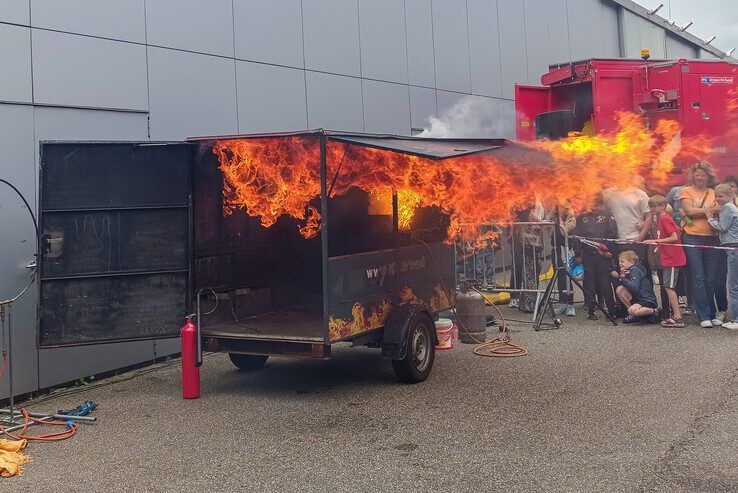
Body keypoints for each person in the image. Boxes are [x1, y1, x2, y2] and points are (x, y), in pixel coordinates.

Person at [679, 161, 722, 328]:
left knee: (710, 278)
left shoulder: (714, 191)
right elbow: (688, 211)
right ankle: (703, 314)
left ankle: (711, 312)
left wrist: (700, 211)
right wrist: (708, 210)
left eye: (703, 175)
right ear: (692, 176)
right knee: (698, 277)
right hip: (692, 237)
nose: (700, 177)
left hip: (712, 237)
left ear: (708, 176)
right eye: (697, 175)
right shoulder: (686, 191)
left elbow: (719, 208)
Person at [571, 194, 618, 320]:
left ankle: (611, 312)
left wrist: (607, 249)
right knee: (589, 283)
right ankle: (591, 311)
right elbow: (576, 236)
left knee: (605, 284)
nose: (593, 207)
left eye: (595, 204)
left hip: (603, 255)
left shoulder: (608, 216)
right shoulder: (581, 218)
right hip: (587, 256)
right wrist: (578, 253)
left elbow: (613, 234)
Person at [644, 195, 686, 327]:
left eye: (654, 206)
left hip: (672, 258)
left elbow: (674, 237)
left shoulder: (665, 219)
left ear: (663, 206)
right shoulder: (662, 219)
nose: (652, 209)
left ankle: (677, 316)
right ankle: (676, 314)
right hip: (667, 257)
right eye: (650, 207)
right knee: (668, 287)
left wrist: (655, 241)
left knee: (669, 287)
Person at [602, 177, 653, 276]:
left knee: (641, 274)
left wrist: (641, 237)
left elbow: (649, 216)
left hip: (635, 241)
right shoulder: (607, 194)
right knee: (621, 276)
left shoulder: (639, 193)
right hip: (617, 242)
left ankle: (645, 292)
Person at [707, 183, 738, 330]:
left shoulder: (728, 208)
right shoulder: (731, 207)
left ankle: (736, 320)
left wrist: (710, 218)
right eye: (716, 196)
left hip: (732, 248)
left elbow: (722, 227)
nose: (718, 199)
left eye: (721, 196)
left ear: (729, 195)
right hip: (732, 248)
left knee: (732, 286)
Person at [612, 250, 659, 324]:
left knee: (632, 310)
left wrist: (622, 278)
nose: (620, 264)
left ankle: (656, 311)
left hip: (646, 299)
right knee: (619, 289)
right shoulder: (627, 270)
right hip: (638, 298)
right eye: (619, 262)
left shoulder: (634, 270)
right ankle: (634, 315)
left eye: (622, 261)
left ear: (631, 262)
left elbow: (634, 288)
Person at [553, 203, 577, 317]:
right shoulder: (555, 215)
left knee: (567, 275)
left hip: (566, 249)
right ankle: (562, 303)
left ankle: (570, 304)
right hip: (556, 248)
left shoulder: (570, 214)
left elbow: (565, 233)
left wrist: (562, 225)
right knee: (560, 275)